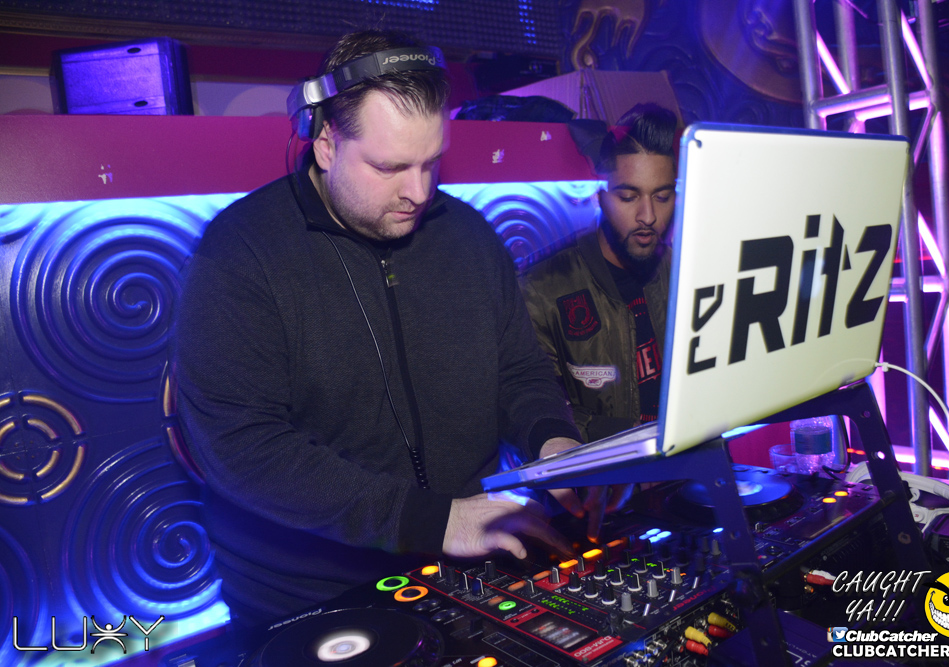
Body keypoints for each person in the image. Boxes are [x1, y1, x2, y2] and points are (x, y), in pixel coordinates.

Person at [172, 29, 589, 628]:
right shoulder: (240, 255)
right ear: (325, 143)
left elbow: (518, 372)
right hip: (306, 599)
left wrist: (554, 445)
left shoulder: (470, 237)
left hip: (463, 571)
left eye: (431, 162)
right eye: (390, 166)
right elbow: (243, 448)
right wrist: (428, 520)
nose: (418, 192)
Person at [521, 104, 678, 443]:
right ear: (600, 196)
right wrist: (624, 439)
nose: (648, 216)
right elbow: (535, 405)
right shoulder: (543, 289)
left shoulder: (684, 273)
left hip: (690, 468)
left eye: (662, 196)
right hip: (603, 474)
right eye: (628, 197)